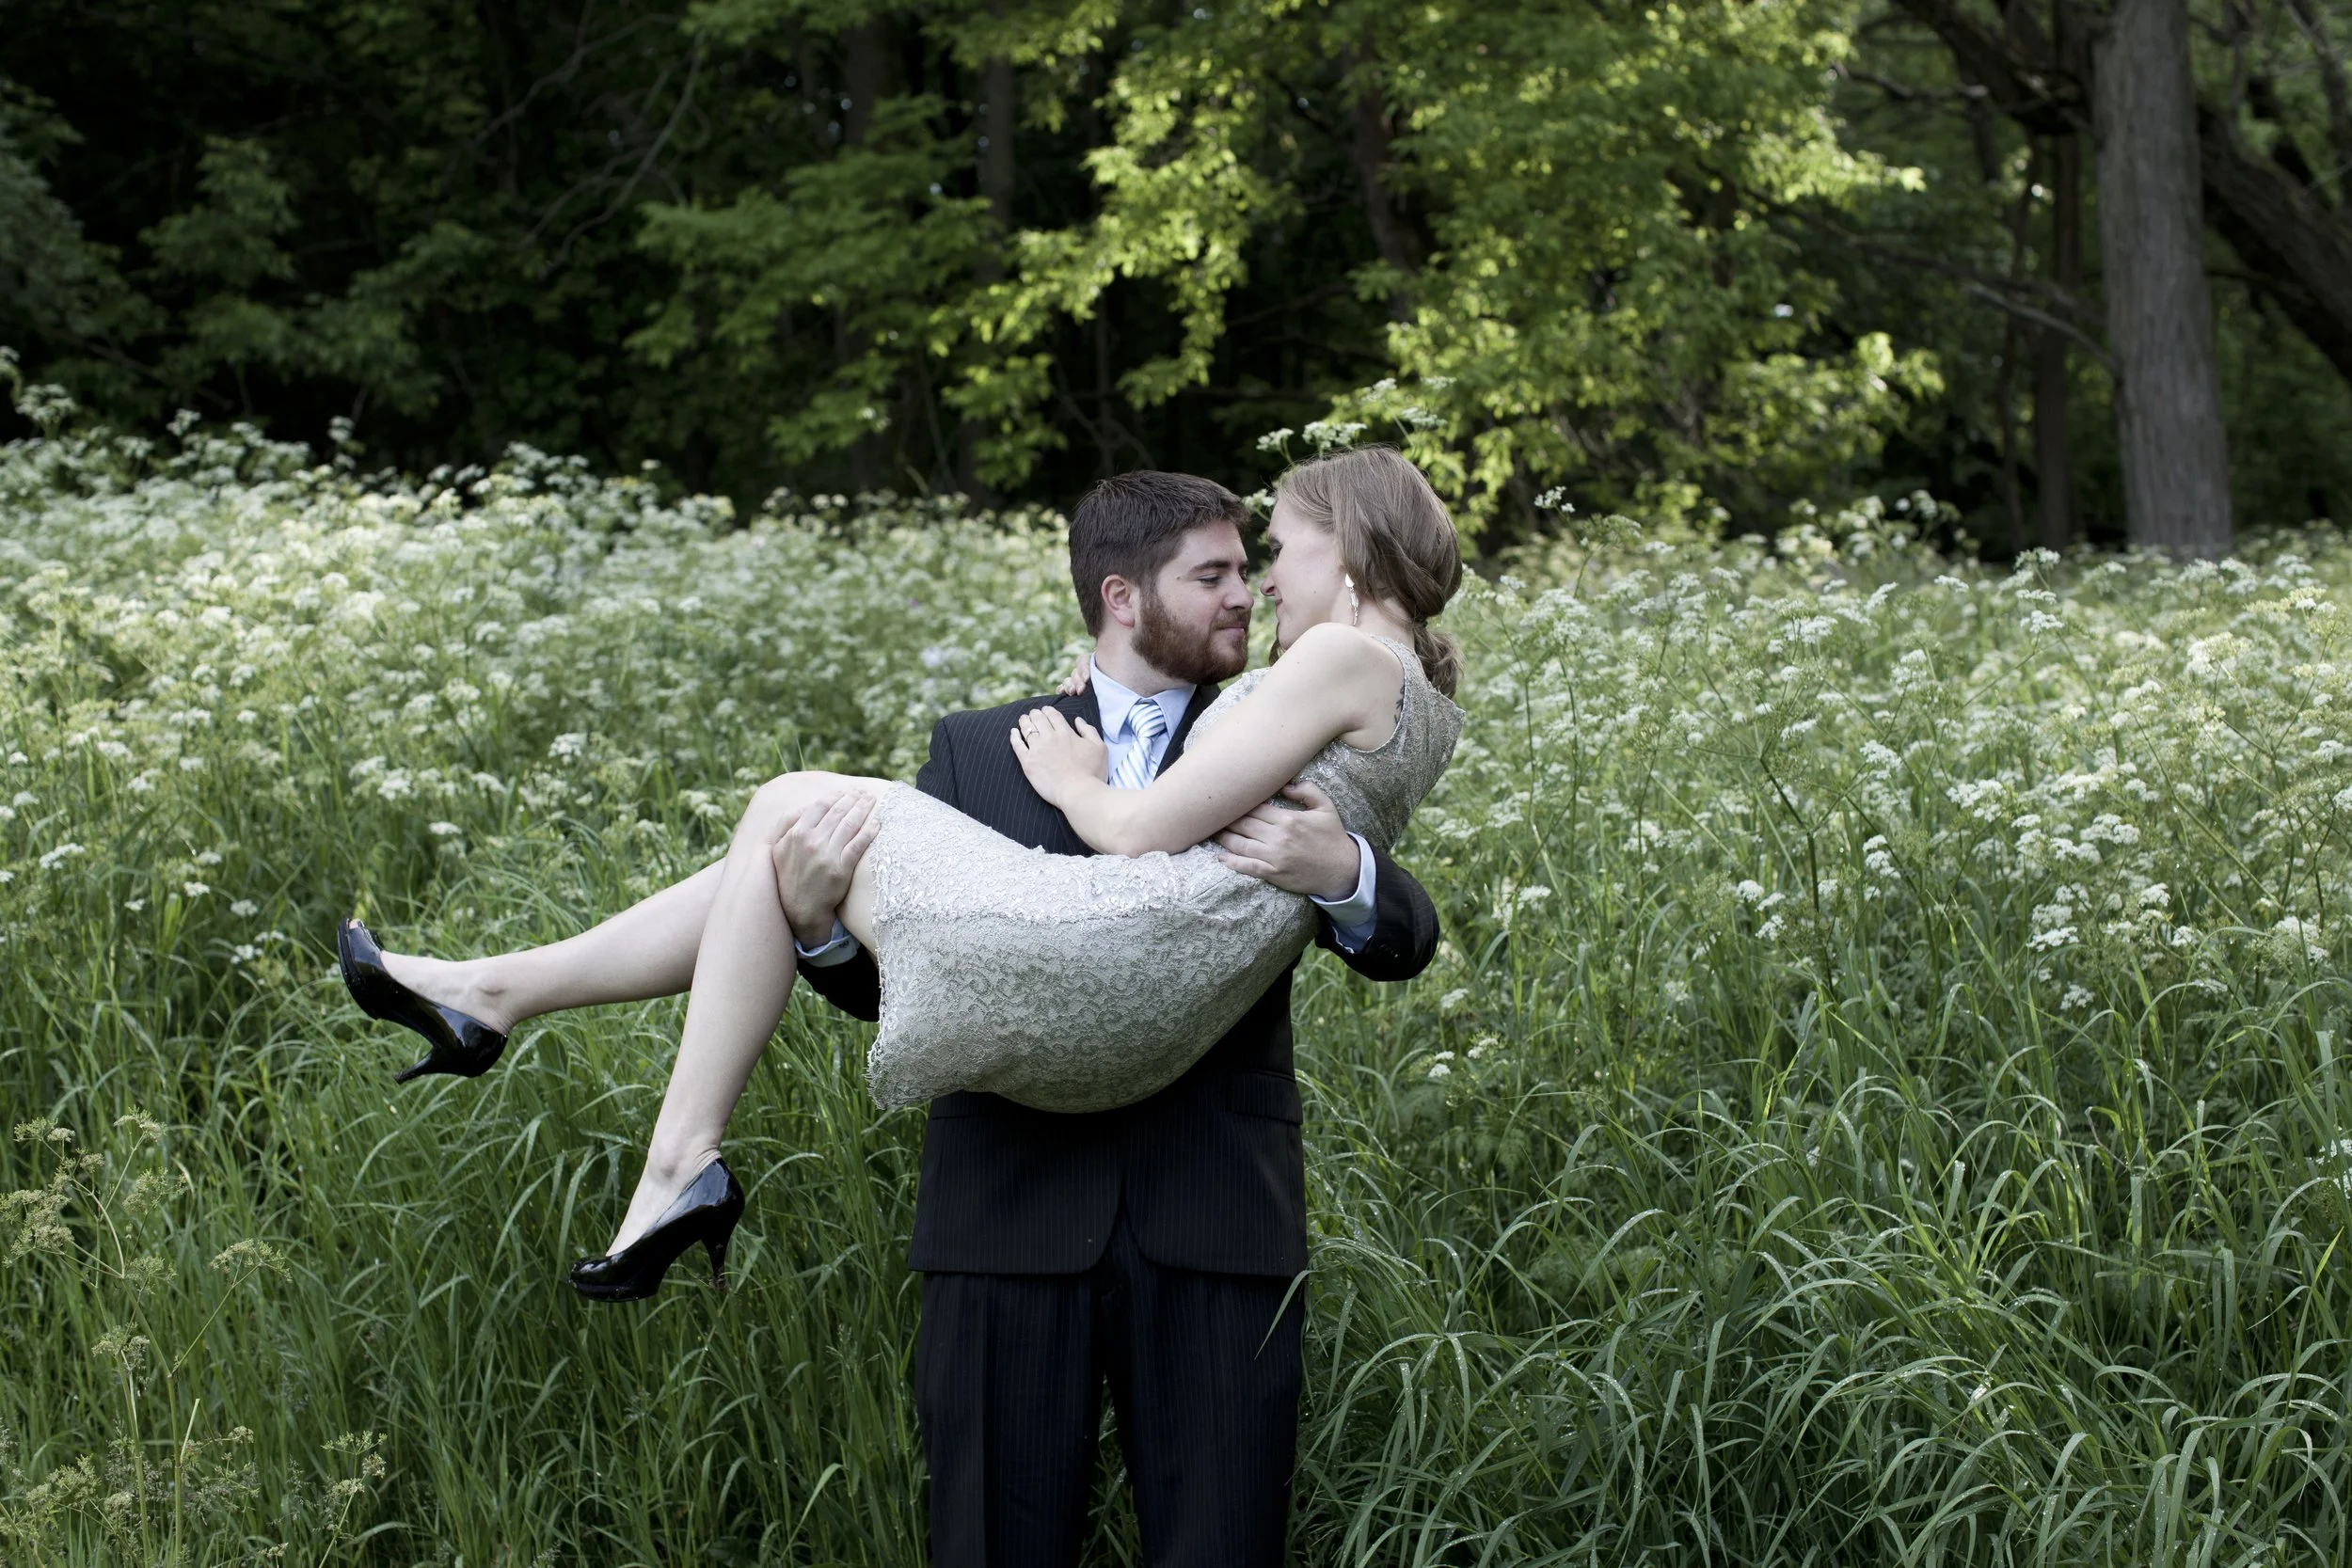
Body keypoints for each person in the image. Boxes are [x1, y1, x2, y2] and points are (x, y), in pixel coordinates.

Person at [337, 450, 1464, 1560]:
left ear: (1350, 549)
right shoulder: (983, 744)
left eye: (1260, 556)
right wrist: (820, 925)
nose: (1253, 586)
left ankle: (583, 1072)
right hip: (1008, 1221)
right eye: (1213, 574)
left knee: (782, 806)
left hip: (1210, 1214)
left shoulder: (1293, 693)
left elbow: (1394, 931)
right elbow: (913, 988)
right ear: (1122, 597)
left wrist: (1346, 874)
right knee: (785, 850)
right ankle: (513, 1009)